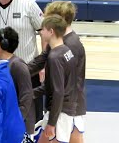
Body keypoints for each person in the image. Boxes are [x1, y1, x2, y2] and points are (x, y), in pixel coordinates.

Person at [30, 15, 77, 143]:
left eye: (43, 29)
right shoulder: (66, 51)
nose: (40, 32)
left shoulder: (55, 57)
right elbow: (52, 86)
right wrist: (30, 94)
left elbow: (58, 92)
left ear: (51, 32)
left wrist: (52, 123)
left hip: (59, 114)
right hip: (63, 110)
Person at [44, 1, 86, 143]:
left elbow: (61, 88)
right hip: (71, 105)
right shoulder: (69, 40)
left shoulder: (66, 46)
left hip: (65, 107)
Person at [0, 26, 35, 141]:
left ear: (4, 45)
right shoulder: (0, 64)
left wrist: (15, 120)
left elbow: (26, 96)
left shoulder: (18, 65)